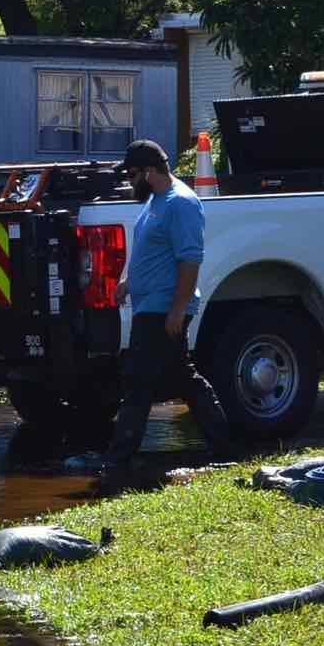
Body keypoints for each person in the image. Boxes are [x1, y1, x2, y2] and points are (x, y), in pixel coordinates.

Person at [100, 139, 230, 469]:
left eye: (132, 175)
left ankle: (118, 460)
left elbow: (190, 261)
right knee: (183, 377)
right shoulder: (155, 200)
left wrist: (177, 308)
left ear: (149, 171)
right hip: (150, 304)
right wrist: (129, 283)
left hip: (163, 309)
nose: (129, 181)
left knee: (139, 380)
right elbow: (151, 251)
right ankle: (225, 446)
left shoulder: (181, 203)